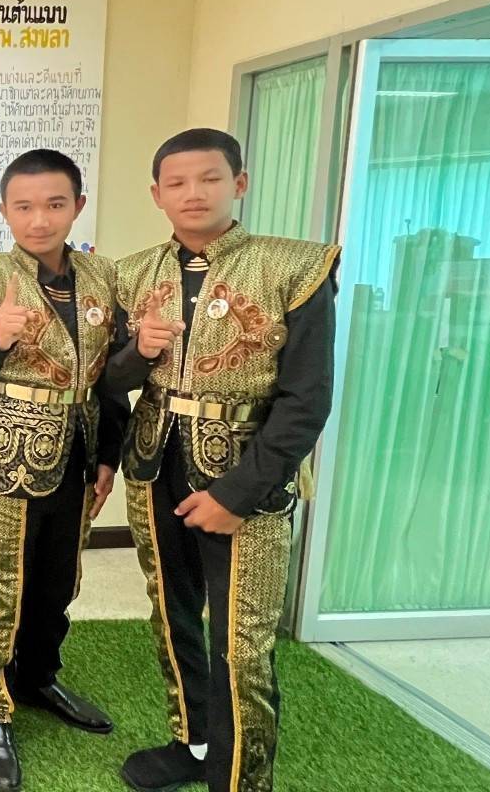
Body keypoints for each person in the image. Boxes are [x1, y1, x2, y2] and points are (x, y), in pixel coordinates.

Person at [107, 128, 338, 792]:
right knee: (172, 615)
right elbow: (109, 379)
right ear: (156, 194)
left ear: (239, 183)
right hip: (155, 468)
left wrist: (238, 494)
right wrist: (139, 351)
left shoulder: (294, 267)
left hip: (247, 477)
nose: (193, 194)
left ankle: (241, 779)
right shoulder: (133, 273)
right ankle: (194, 743)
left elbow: (306, 399)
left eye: (209, 179)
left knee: (242, 642)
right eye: (176, 183)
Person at [0, 148, 131, 792]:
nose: (40, 219)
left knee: (58, 580)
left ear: (78, 206)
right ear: (4, 211)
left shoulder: (103, 277)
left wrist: (108, 456)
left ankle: (38, 678)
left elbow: (110, 378)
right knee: (5, 587)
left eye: (54, 204)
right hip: (7, 457)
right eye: (24, 207)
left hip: (79, 453)